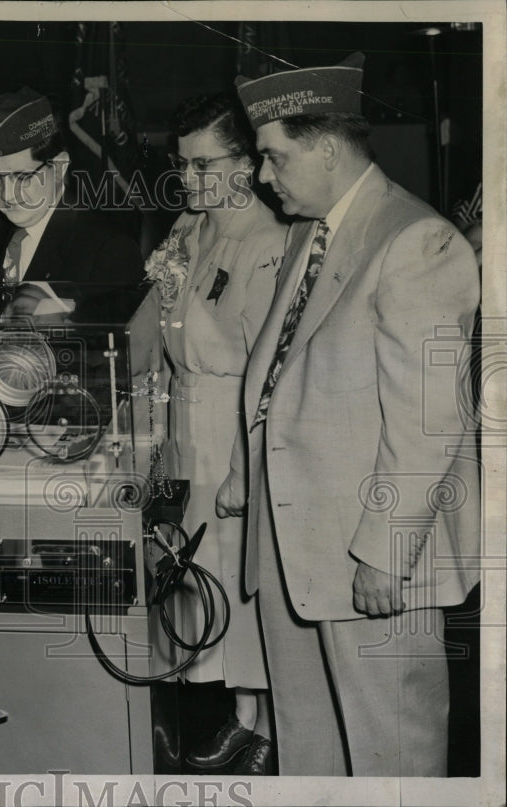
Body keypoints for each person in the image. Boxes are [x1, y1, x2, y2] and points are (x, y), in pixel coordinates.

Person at [234, 52, 481, 776]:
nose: (261, 175)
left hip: (370, 556)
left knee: (391, 752)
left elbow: (427, 420)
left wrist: (385, 548)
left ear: (327, 147)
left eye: (274, 157)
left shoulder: (416, 240)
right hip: (297, 541)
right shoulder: (314, 231)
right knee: (309, 749)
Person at [149, 93, 284, 775]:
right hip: (183, 416)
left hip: (230, 420)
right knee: (186, 567)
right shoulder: (190, 226)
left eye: (206, 165)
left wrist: (246, 463)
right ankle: (197, 698)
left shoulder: (268, 242)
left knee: (234, 570)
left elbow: (262, 366)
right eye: (183, 165)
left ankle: (255, 721)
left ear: (248, 161)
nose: (192, 180)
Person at [0, 87, 143, 323]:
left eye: (22, 176)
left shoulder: (108, 249)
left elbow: (116, 348)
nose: (6, 194)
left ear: (60, 166)